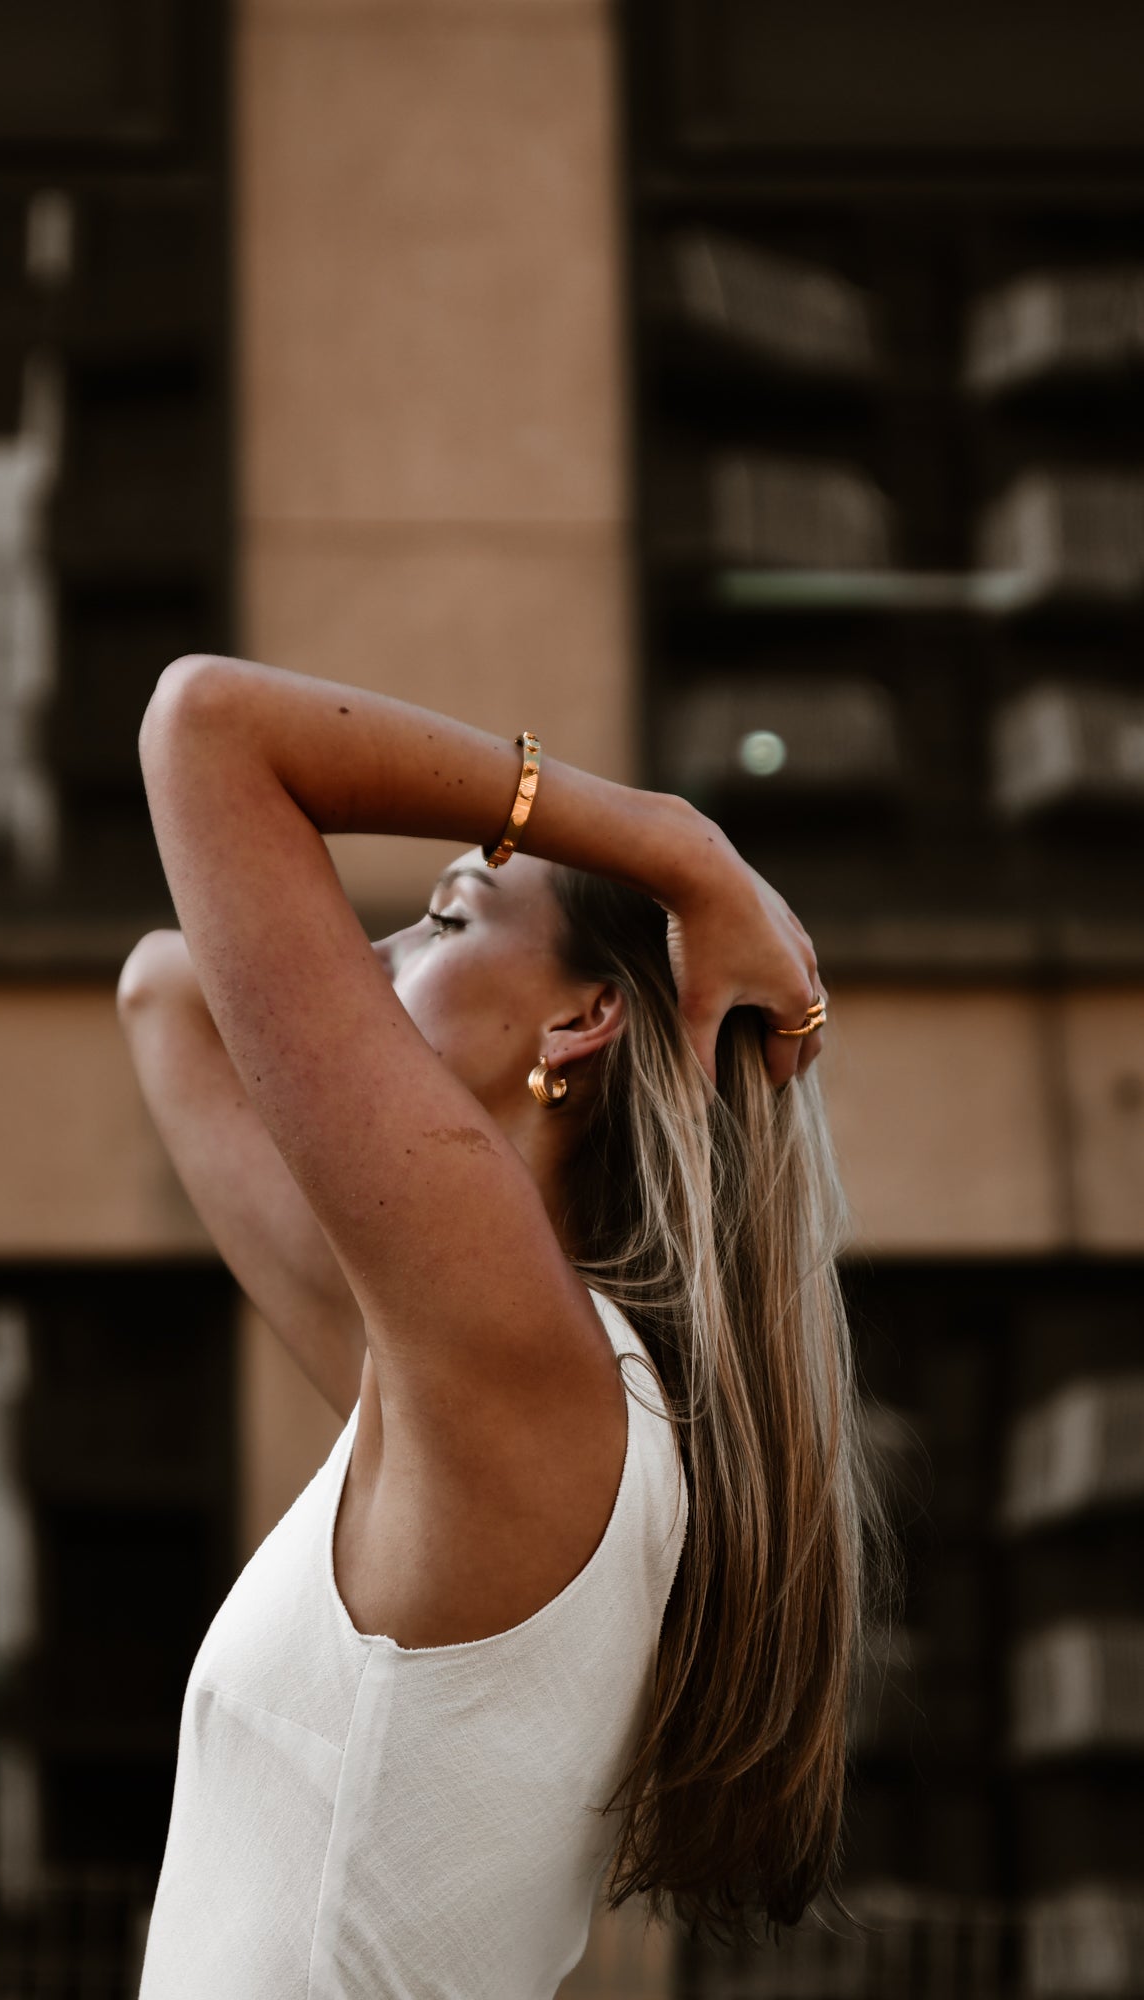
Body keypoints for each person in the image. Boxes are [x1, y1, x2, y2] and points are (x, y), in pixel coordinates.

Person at [119, 655, 880, 1998]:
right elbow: (168, 989)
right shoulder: (494, 1395)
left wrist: (675, 848)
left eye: (443, 919)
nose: (368, 959)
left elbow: (206, 726)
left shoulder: (518, 1370)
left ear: (584, 1018)